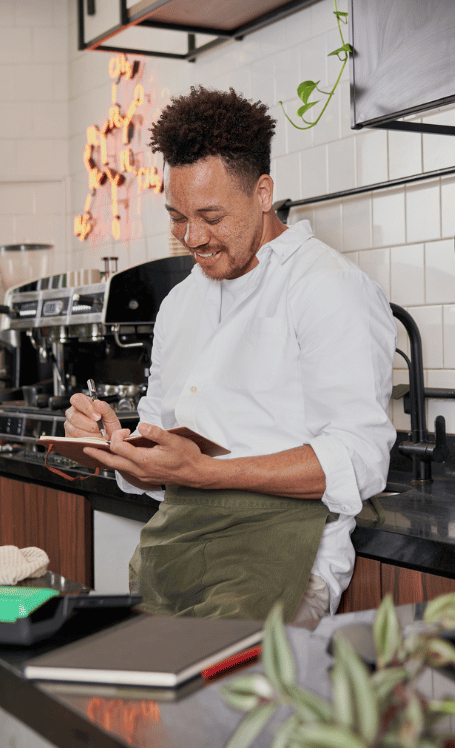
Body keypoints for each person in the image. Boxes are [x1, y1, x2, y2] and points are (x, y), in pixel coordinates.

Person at [64, 86, 397, 624]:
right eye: (177, 217)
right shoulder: (180, 303)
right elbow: (164, 451)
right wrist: (114, 445)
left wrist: (205, 472)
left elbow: (359, 460)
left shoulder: (328, 289)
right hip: (173, 558)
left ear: (262, 193)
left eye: (211, 216)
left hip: (279, 564)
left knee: (229, 706)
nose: (192, 237)